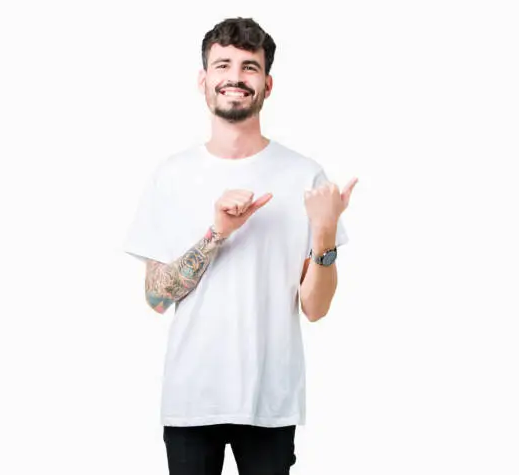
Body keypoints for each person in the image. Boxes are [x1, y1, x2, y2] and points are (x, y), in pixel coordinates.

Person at [123, 17, 357, 475]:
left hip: (270, 402)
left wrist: (325, 235)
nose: (235, 76)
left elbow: (315, 308)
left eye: (249, 67)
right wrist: (216, 233)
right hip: (193, 400)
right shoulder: (171, 176)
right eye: (222, 64)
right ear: (203, 80)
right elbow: (155, 297)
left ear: (267, 84)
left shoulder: (304, 175)